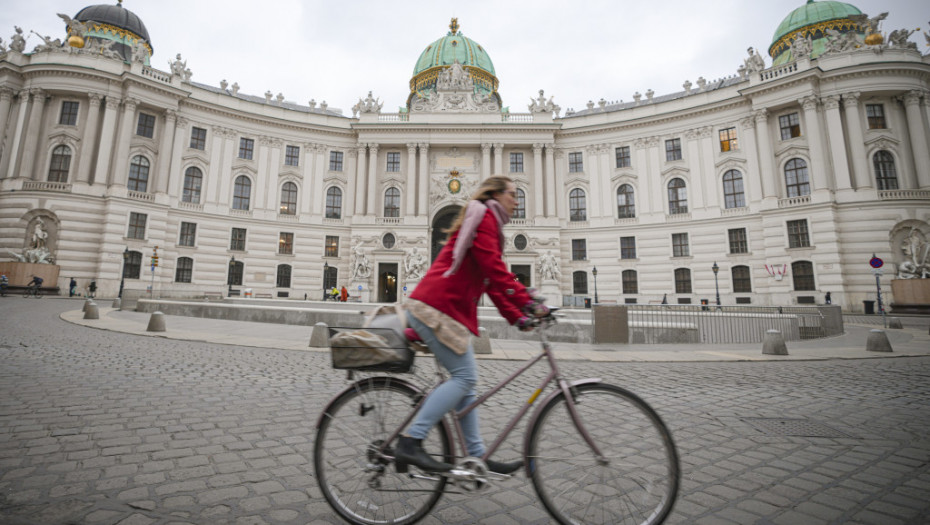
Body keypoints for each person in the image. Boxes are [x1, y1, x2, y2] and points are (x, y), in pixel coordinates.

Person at [396, 175, 548, 475]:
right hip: (435, 308)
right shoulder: (485, 217)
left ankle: (477, 457)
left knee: (465, 385)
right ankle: (410, 441)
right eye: (512, 194)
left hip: (444, 310)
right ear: (496, 194)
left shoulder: (487, 221)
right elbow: (495, 270)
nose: (517, 201)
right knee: (464, 378)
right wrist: (528, 304)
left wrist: (517, 316)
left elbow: (490, 280)